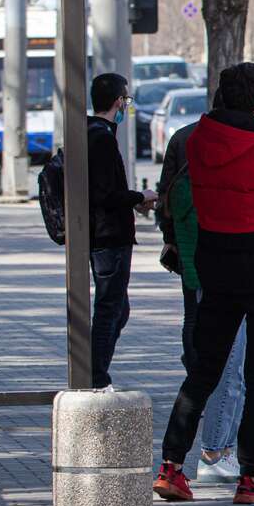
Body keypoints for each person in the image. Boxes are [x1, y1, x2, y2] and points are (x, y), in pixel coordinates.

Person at [152, 62, 254, 506]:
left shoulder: (199, 139)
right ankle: (250, 478)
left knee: (204, 371)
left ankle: (171, 467)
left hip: (216, 265)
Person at [158, 117, 248, 485]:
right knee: (227, 368)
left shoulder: (184, 149)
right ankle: (213, 451)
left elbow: (167, 204)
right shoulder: (220, 171)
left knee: (206, 361)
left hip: (196, 273)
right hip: (227, 276)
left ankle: (199, 455)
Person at [85, 74, 156, 389]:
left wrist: (133, 200)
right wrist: (141, 197)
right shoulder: (100, 137)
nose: (126, 106)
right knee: (110, 308)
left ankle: (94, 370)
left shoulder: (91, 133)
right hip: (108, 236)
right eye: (125, 100)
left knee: (118, 309)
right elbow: (105, 194)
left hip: (104, 233)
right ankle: (95, 376)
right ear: (118, 102)